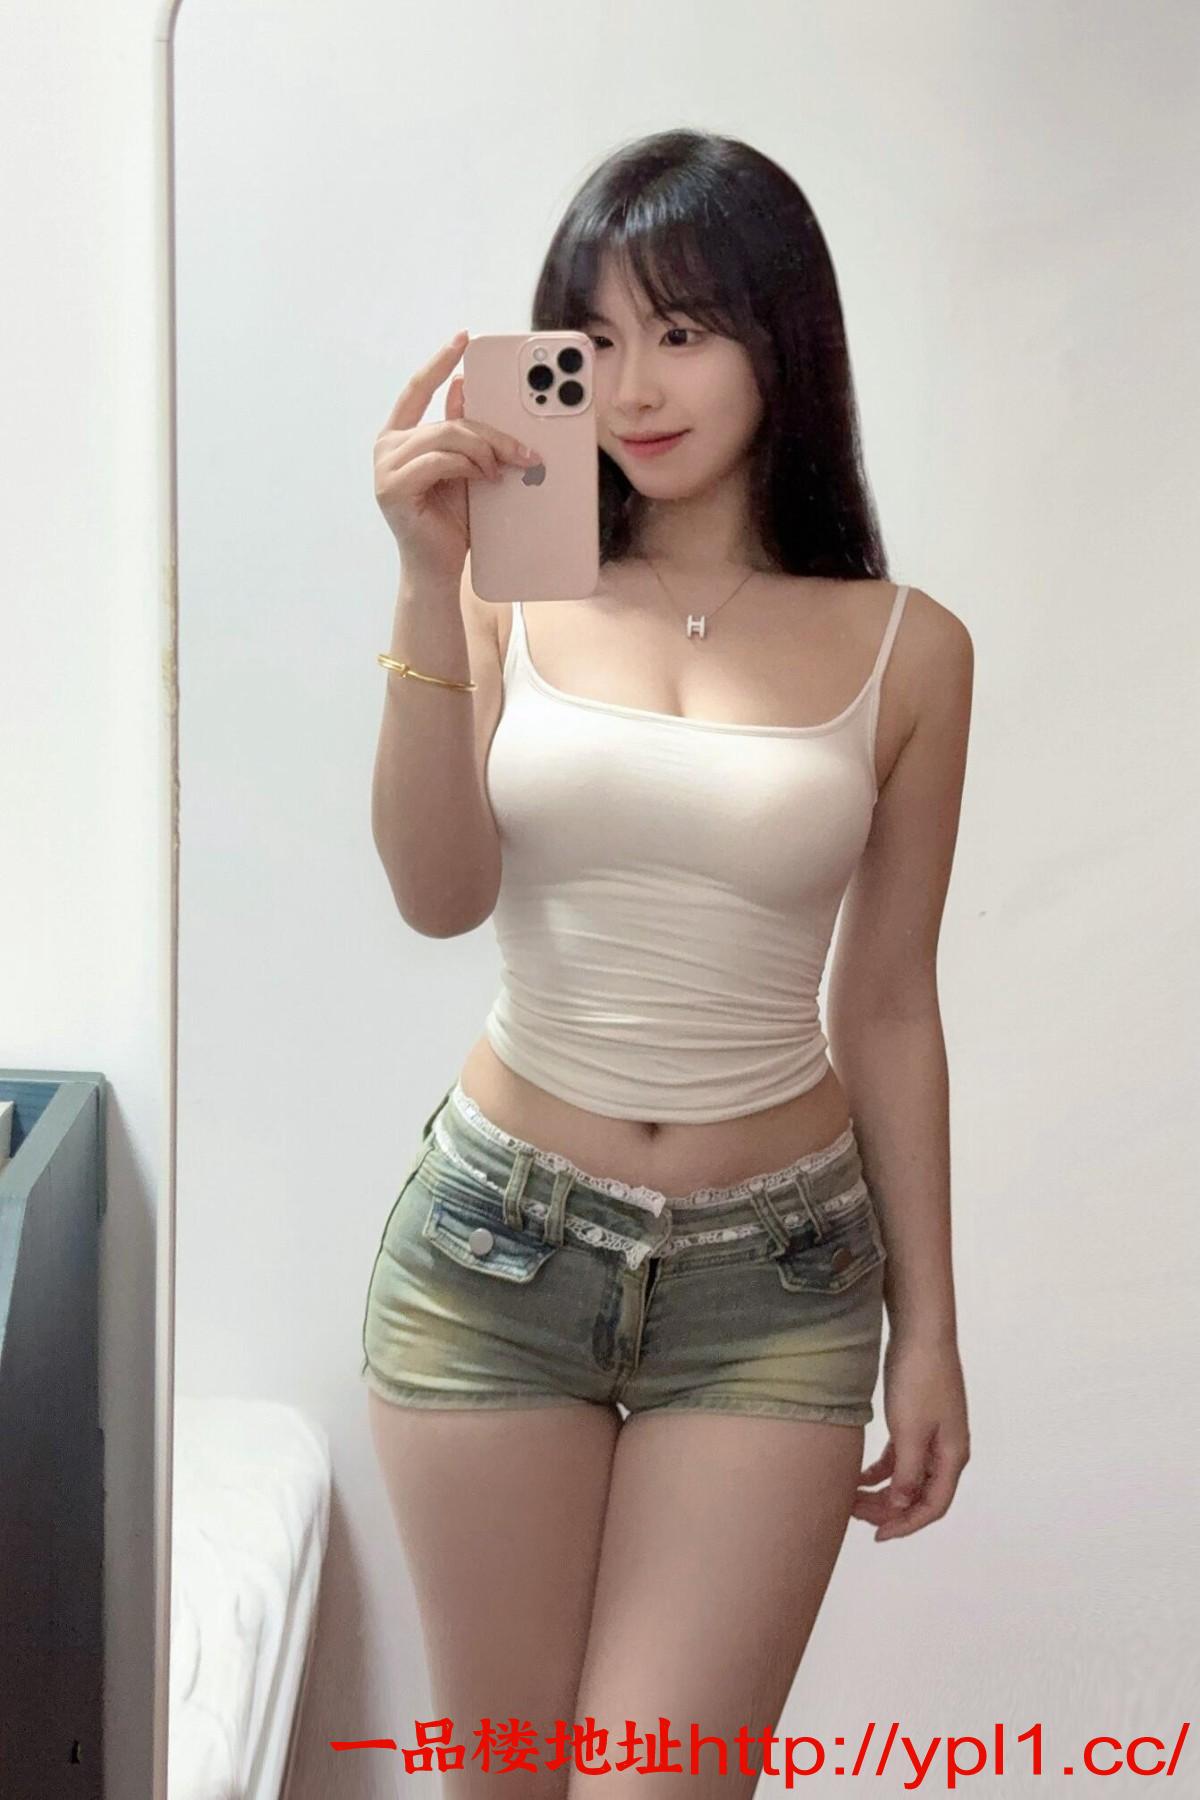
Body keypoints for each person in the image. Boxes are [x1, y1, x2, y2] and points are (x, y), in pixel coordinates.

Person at [362, 128, 973, 1797]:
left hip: (772, 1289)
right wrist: (426, 581)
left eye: (685, 331)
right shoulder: (509, 594)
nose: (633, 386)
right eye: (596, 335)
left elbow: (889, 1003)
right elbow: (435, 895)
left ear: (783, 342)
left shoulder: (911, 650)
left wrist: (929, 1329)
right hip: (496, 1256)